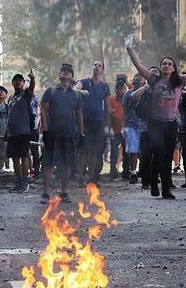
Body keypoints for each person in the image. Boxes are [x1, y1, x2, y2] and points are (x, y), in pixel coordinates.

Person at [126, 34, 186, 199]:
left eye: (169, 64)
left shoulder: (179, 80)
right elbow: (139, 66)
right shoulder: (154, 79)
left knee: (167, 156)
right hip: (155, 123)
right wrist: (129, 48)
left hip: (171, 124)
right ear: (161, 68)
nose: (166, 65)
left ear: (174, 68)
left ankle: (166, 189)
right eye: (164, 64)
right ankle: (154, 182)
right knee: (158, 152)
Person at [40, 63, 84, 204]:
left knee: (67, 164)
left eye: (68, 72)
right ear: (59, 75)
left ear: (72, 77)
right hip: (53, 134)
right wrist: (44, 130)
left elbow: (79, 115)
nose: (65, 73)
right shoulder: (51, 91)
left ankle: (64, 193)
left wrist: (81, 133)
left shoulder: (76, 95)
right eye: (63, 71)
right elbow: (43, 111)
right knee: (48, 164)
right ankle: (46, 193)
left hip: (70, 134)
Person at [76, 60, 110, 184]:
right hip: (85, 121)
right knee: (84, 149)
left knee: (95, 150)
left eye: (99, 65)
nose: (96, 67)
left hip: (98, 122)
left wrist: (108, 126)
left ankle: (91, 177)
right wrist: (80, 91)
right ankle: (80, 177)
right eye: (95, 65)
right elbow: (74, 89)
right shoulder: (84, 82)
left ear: (102, 70)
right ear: (92, 67)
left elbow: (107, 106)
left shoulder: (104, 86)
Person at [6, 71, 36, 192]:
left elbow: (32, 87)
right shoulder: (11, 98)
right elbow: (9, 115)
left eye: (20, 80)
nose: (18, 81)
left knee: (24, 156)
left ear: (24, 83)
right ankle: (18, 182)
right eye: (16, 80)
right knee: (14, 158)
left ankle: (25, 181)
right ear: (12, 83)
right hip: (12, 132)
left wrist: (32, 79)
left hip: (23, 131)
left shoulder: (26, 94)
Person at [122, 74, 143, 184]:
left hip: (145, 125)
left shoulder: (147, 91)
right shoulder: (128, 93)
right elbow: (124, 111)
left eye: (141, 76)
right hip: (131, 125)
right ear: (133, 80)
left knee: (146, 151)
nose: (139, 78)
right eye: (136, 76)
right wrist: (123, 127)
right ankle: (133, 173)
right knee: (133, 151)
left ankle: (145, 171)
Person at [108, 77, 127, 181]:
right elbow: (109, 114)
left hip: (125, 129)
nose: (119, 90)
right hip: (114, 130)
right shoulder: (111, 99)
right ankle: (113, 173)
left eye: (121, 88)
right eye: (117, 88)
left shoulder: (128, 98)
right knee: (114, 151)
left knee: (126, 151)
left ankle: (126, 172)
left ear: (124, 89)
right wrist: (109, 128)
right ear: (115, 89)